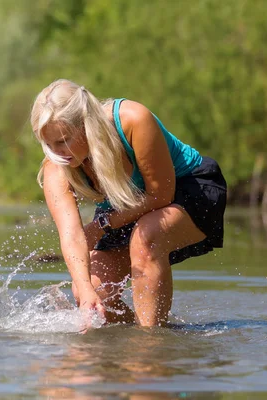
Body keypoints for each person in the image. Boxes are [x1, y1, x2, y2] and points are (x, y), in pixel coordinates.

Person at [30, 79, 227, 327]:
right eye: (48, 144)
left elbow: (160, 194)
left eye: (63, 140)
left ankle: (149, 346)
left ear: (86, 125)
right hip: (127, 206)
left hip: (189, 188)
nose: (57, 152)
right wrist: (85, 289)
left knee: (146, 238)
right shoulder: (56, 168)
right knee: (90, 290)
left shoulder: (132, 120)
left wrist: (103, 224)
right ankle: (136, 338)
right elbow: (71, 235)